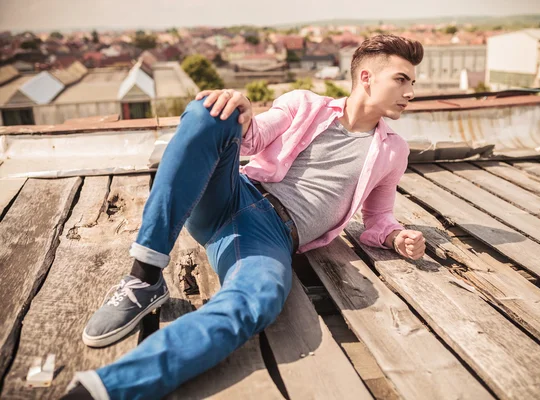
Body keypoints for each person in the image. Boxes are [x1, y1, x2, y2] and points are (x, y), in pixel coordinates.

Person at [63, 34, 426, 400]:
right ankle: (144, 277)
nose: (410, 91)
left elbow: (379, 217)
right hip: (234, 193)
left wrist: (395, 237)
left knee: (259, 299)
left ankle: (104, 390)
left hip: (271, 239)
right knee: (211, 110)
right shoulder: (305, 105)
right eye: (401, 79)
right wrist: (242, 105)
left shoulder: (393, 150)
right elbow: (251, 137)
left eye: (412, 82)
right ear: (366, 77)